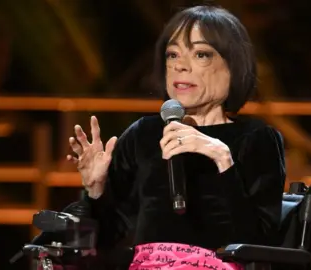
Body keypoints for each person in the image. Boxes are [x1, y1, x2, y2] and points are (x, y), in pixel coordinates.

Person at [67, 5, 286, 270]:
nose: (181, 65)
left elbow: (261, 243)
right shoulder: (144, 134)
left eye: (201, 54)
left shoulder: (256, 138)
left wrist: (222, 158)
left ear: (232, 66)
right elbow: (105, 240)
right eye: (173, 55)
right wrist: (95, 189)